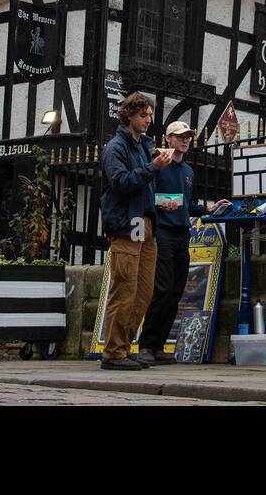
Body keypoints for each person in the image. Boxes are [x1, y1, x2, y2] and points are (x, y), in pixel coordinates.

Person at [136, 120, 229, 365]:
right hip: (162, 232)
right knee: (163, 289)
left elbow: (188, 205)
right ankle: (146, 344)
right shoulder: (158, 165)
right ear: (168, 139)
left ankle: (158, 346)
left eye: (187, 136)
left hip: (182, 234)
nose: (185, 140)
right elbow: (148, 197)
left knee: (176, 292)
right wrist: (166, 203)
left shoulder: (188, 171)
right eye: (179, 136)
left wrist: (210, 209)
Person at [98, 93, 173, 371]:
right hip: (125, 223)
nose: (148, 120)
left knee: (143, 292)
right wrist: (153, 167)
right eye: (144, 115)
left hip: (145, 222)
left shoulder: (145, 146)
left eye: (151, 115)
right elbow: (121, 182)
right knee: (124, 289)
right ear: (129, 114)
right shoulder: (115, 147)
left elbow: (145, 182)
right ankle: (113, 352)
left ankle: (124, 347)